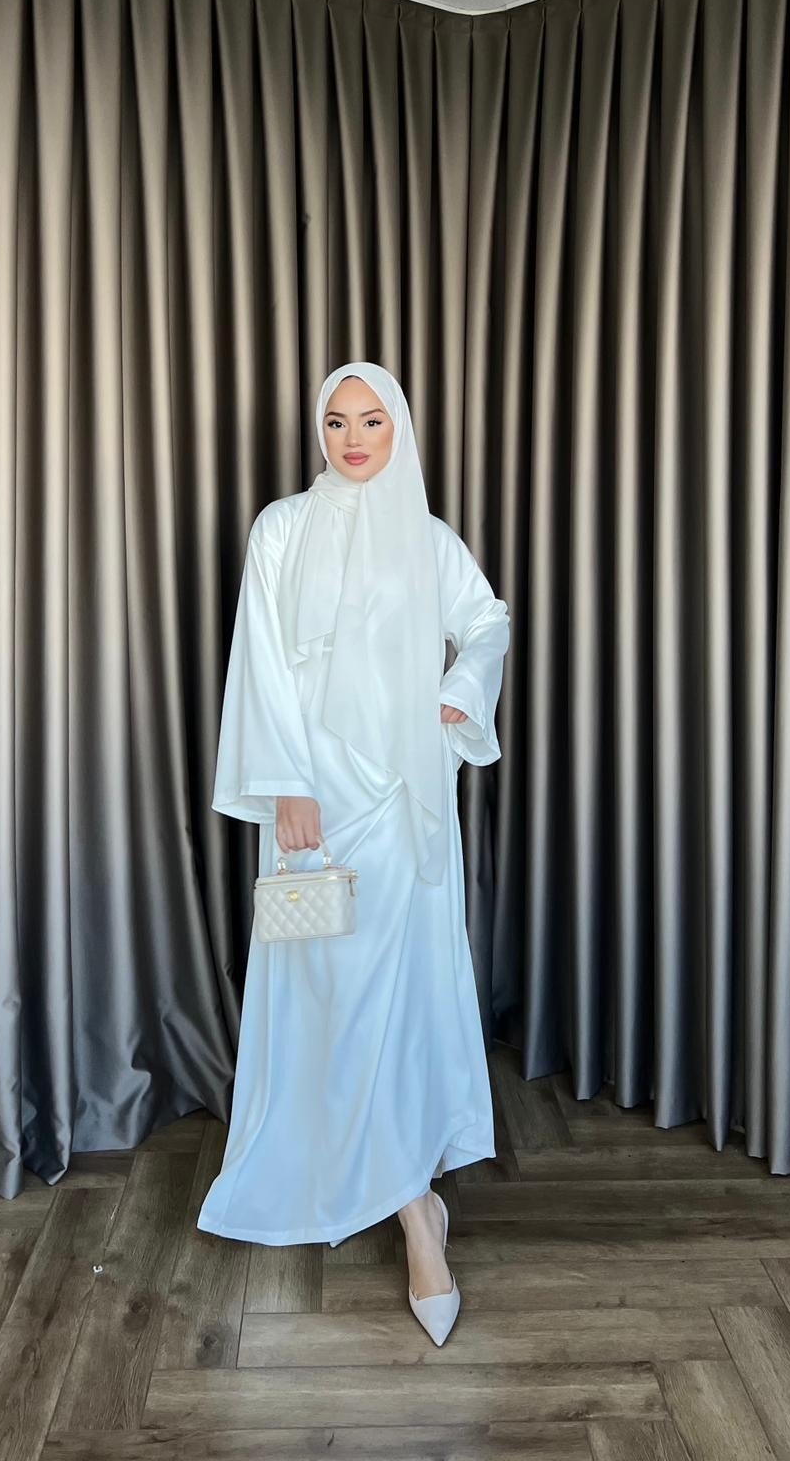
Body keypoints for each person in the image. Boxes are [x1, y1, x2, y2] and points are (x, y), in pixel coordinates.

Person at [196, 360, 510, 1346]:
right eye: (337, 421)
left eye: (373, 420)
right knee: (333, 996)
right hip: (314, 805)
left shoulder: (428, 538)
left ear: (398, 428)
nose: (354, 438)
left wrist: (457, 693)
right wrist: (284, 781)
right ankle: (408, 1196)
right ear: (319, 431)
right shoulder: (281, 529)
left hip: (405, 800)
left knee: (393, 999)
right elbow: (260, 659)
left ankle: (416, 1217)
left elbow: (487, 622)